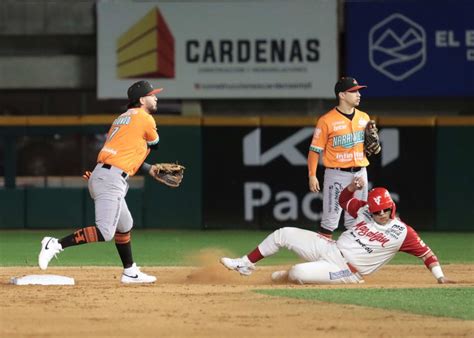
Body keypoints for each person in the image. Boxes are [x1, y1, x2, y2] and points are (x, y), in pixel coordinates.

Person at [38, 80, 166, 284]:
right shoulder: (144, 117)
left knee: (125, 225)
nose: (156, 97)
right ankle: (55, 244)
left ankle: (130, 271)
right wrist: (148, 162)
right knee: (105, 231)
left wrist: (148, 168)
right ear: (142, 100)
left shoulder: (121, 119)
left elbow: (123, 152)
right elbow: (155, 144)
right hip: (111, 178)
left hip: (107, 174)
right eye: (152, 95)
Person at [220, 177, 454, 285]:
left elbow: (427, 255)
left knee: (298, 272)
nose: (382, 213)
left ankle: (287, 276)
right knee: (283, 233)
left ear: (392, 207)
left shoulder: (403, 232)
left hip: (346, 270)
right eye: (377, 210)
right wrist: (352, 187)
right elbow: (343, 201)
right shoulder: (364, 210)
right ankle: (245, 264)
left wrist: (440, 277)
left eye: (385, 209)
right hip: (330, 248)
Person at [308, 76, 379, 238]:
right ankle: (322, 258)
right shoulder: (326, 120)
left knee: (358, 218)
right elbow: (314, 151)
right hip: (337, 174)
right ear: (341, 95)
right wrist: (312, 175)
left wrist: (372, 149)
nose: (358, 94)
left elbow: (370, 148)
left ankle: (353, 259)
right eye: (353, 91)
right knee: (330, 220)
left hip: (360, 172)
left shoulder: (364, 117)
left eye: (359, 91)